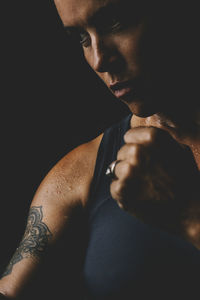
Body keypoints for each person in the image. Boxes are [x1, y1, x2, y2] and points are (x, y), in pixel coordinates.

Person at [0, 0, 200, 299]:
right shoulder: (80, 175)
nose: (99, 60)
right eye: (82, 38)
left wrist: (188, 216)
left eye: (114, 23)